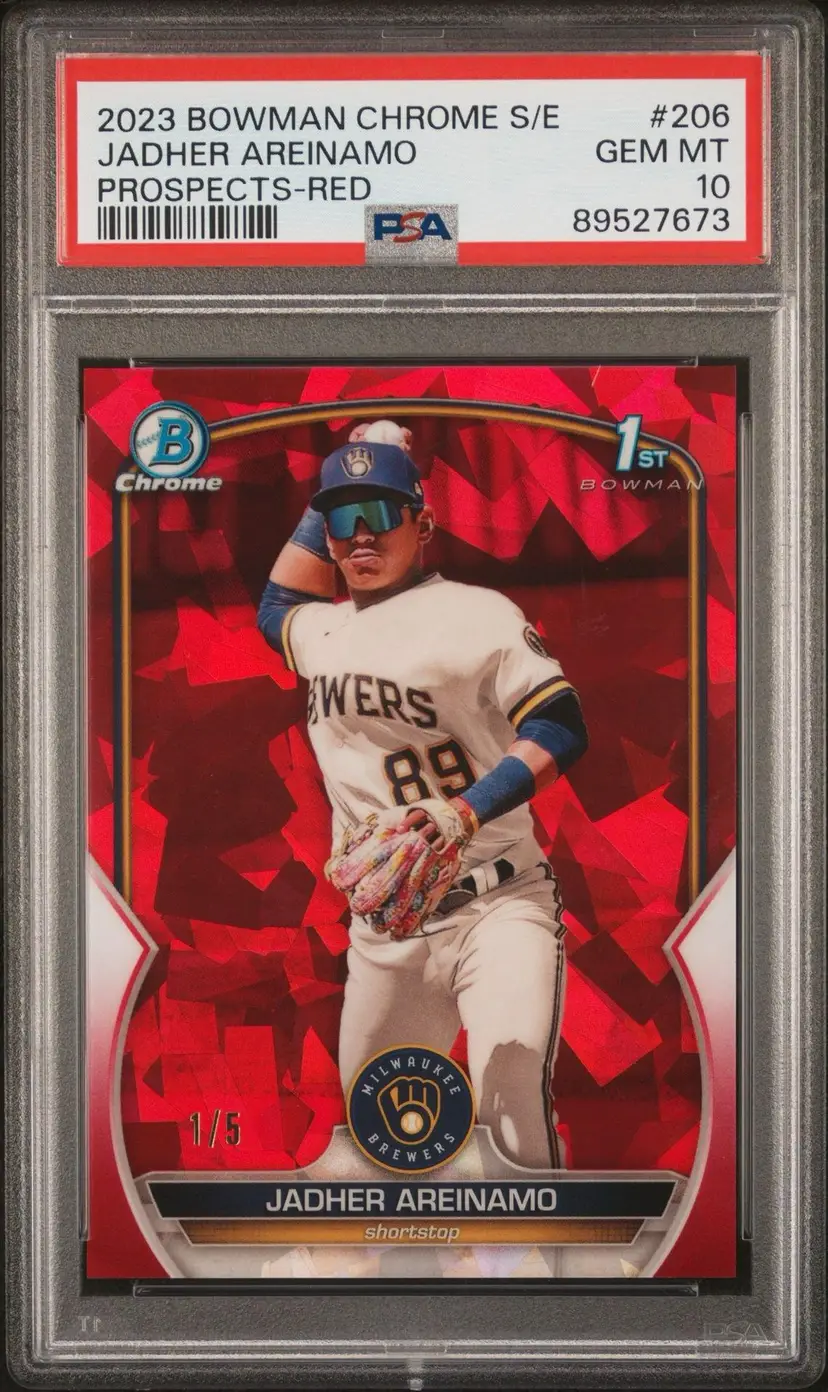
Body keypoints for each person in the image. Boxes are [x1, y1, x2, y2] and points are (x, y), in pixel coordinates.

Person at [257, 424, 588, 1169]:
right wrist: (336, 482)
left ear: (424, 524)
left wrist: (466, 810)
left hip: (496, 906)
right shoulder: (323, 629)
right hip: (387, 929)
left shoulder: (478, 612)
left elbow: (561, 725)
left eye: (380, 512)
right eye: (344, 519)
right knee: (378, 1144)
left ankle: (542, 1248)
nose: (362, 533)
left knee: (509, 1117)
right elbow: (277, 602)